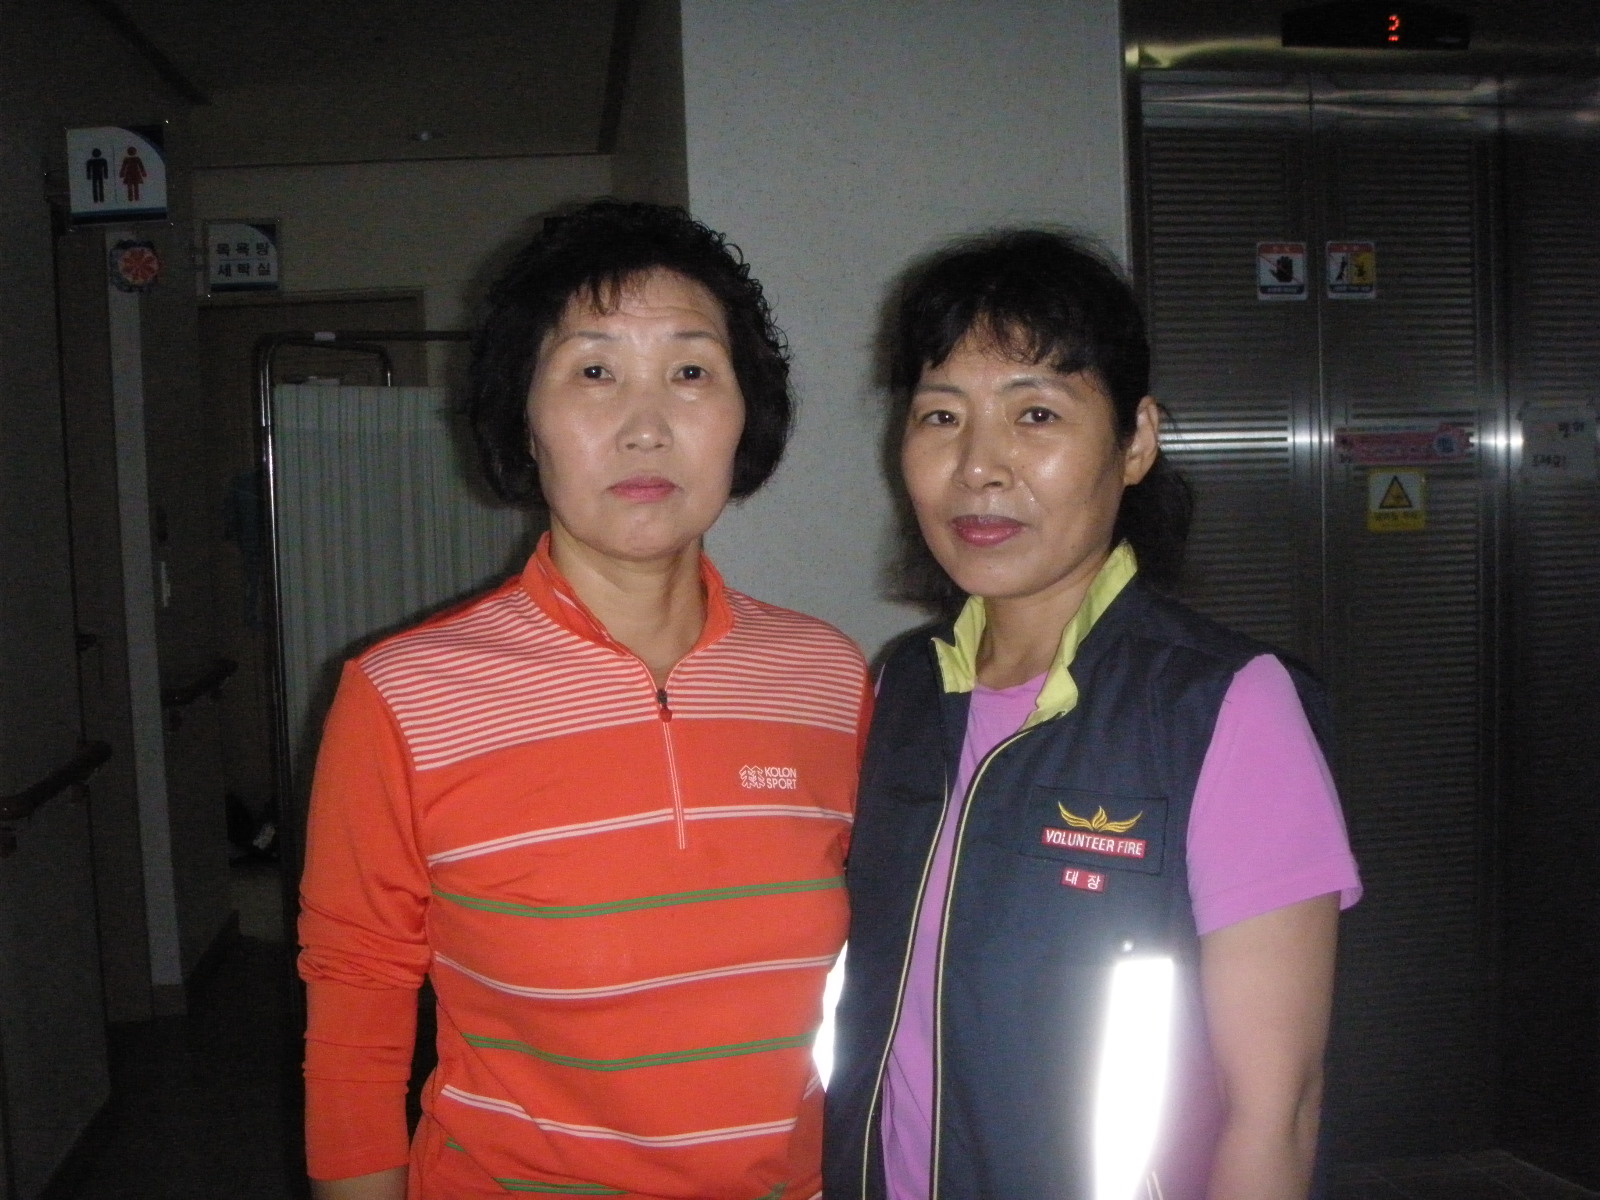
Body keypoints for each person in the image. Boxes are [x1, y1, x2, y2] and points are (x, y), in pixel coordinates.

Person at [298, 201, 871, 1200]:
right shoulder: (402, 697)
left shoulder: (828, 679)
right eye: (594, 372)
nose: (646, 427)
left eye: (691, 372)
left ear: (746, 414)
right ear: (525, 417)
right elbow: (356, 1020)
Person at [823, 230, 1361, 1200]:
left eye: (1035, 414)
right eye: (941, 415)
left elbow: (1274, 1112)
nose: (979, 467)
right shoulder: (903, 689)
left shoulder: (1221, 706)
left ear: (1136, 441)